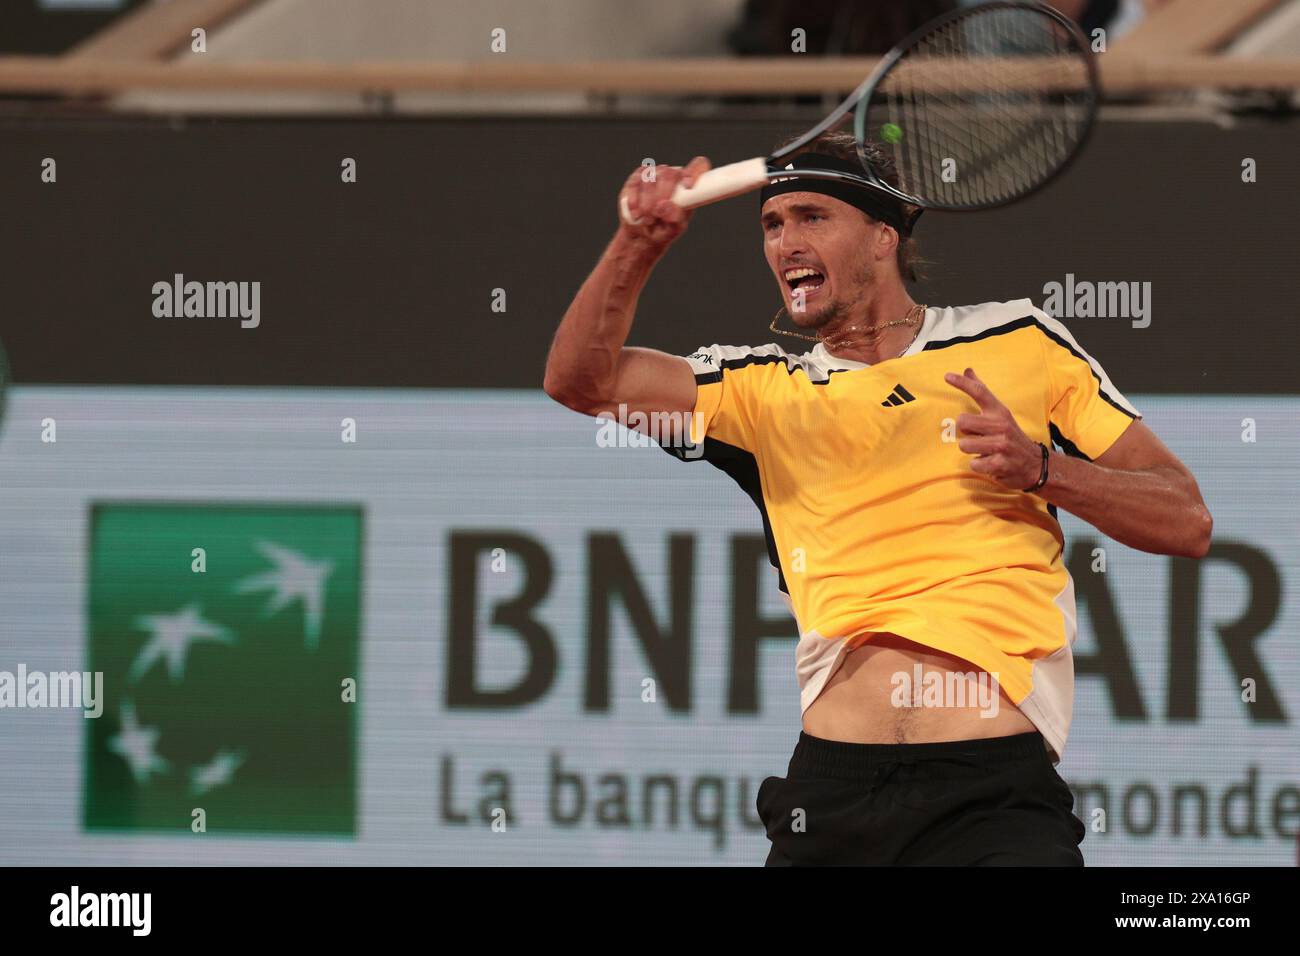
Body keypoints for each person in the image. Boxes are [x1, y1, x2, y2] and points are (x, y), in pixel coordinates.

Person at [542, 131, 1212, 865]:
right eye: (771, 224)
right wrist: (639, 244)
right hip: (831, 798)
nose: (786, 243)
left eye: (811, 217)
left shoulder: (1021, 342)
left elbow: (1186, 518)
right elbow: (581, 382)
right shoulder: (761, 390)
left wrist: (1043, 470)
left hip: (992, 801)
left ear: (883, 236)